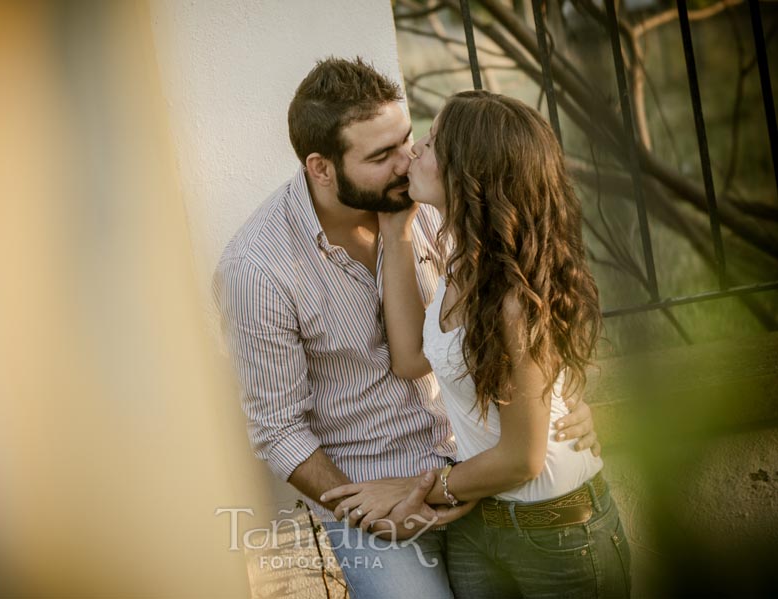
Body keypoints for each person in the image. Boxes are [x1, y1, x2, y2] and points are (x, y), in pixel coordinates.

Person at [214, 58, 600, 599]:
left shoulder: (440, 198)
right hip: (378, 495)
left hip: (481, 473)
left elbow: (530, 296)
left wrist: (562, 396)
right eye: (381, 155)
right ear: (321, 167)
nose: (406, 161)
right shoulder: (259, 269)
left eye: (409, 140)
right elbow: (279, 429)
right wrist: (372, 509)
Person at [322, 90, 631, 598]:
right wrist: (396, 231)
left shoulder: (514, 298)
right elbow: (409, 359)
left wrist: (418, 489)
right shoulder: (462, 261)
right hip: (480, 524)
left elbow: (522, 459)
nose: (415, 150)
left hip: (558, 537)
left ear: (471, 173)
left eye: (433, 142)